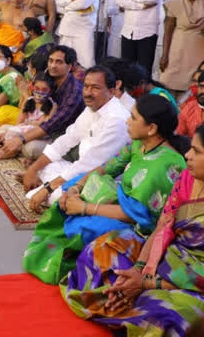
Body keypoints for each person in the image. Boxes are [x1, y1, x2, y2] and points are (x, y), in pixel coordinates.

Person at [62, 122, 204, 336]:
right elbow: (163, 226)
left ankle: (125, 303)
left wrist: (146, 283)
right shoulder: (189, 178)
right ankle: (125, 299)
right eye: (190, 148)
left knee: (171, 313)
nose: (187, 155)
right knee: (103, 248)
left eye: (197, 151)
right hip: (165, 260)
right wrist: (139, 269)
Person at [24, 94, 188, 284]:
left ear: (151, 129)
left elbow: (134, 215)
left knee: (83, 225)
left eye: (133, 118)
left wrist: (84, 208)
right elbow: (109, 166)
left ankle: (68, 261)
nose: (128, 120)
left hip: (140, 227)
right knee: (69, 188)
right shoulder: (140, 143)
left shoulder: (163, 165)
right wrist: (76, 188)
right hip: (122, 201)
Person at [23, 66, 130, 211]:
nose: (88, 93)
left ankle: (49, 187)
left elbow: (91, 164)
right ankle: (47, 183)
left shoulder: (116, 120)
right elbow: (67, 138)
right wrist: (33, 169)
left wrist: (47, 188)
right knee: (47, 165)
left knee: (47, 196)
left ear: (111, 91)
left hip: (100, 179)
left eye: (95, 88)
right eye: (86, 86)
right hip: (79, 170)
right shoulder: (92, 107)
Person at [0, 45, 85, 160]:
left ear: (69, 67)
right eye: (51, 61)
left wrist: (21, 139)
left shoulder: (74, 91)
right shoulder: (48, 77)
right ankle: (14, 148)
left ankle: (15, 149)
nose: (53, 65)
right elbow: (30, 105)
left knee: (30, 148)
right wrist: (18, 130)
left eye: (59, 62)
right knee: (4, 129)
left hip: (59, 136)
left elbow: (51, 124)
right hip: (39, 127)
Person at [57, 0, 100, 68]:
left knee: (85, 61)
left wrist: (66, 7)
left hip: (83, 29)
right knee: (63, 59)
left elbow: (82, 4)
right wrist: (70, 2)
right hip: (68, 27)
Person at [0, 73, 57, 146]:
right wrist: (13, 130)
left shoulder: (53, 105)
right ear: (32, 88)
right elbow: (19, 122)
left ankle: (8, 147)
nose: (40, 92)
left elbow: (42, 125)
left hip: (37, 135)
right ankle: (11, 144)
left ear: (51, 91)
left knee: (29, 145)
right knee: (3, 128)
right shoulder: (29, 101)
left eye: (44, 90)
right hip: (23, 129)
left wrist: (25, 125)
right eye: (37, 89)